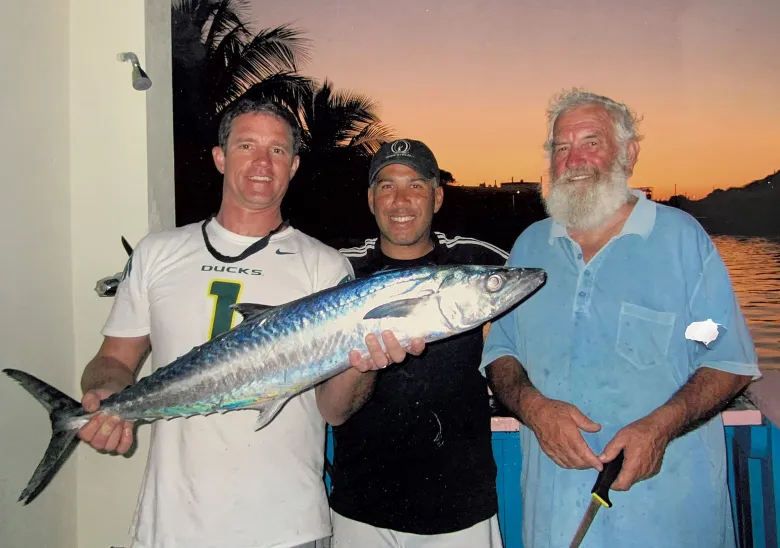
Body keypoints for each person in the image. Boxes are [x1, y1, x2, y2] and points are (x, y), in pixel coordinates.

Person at [76, 95, 422, 548]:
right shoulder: (156, 254)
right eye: (246, 146)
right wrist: (104, 394)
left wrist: (368, 359)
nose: (263, 162)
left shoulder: (324, 266)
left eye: (278, 150)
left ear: (293, 165)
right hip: (172, 525)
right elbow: (112, 361)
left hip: (288, 528)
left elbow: (334, 410)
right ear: (220, 157)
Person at [481, 89, 760, 548]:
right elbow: (502, 352)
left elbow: (726, 361)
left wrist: (659, 427)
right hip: (553, 521)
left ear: (628, 153)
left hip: (670, 517)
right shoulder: (530, 246)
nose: (574, 159)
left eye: (592, 141)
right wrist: (534, 409)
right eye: (561, 147)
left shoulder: (680, 240)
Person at [316, 139, 507, 547]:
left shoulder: (478, 264)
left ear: (437, 197)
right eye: (386, 186)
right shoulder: (340, 271)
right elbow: (331, 410)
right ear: (370, 199)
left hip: (462, 511)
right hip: (360, 512)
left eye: (415, 185)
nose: (400, 200)